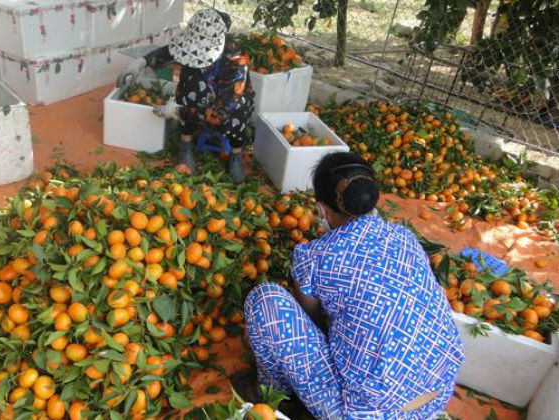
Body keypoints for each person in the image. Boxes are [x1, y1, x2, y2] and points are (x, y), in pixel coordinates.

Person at [237, 152, 465, 420]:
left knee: (265, 301)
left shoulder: (314, 256)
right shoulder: (406, 238)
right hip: (436, 399)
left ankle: (276, 395)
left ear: (321, 209)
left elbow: (314, 323)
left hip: (366, 414)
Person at [117, 9, 254, 182]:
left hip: (228, 102)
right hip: (203, 88)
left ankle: (236, 154)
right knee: (189, 88)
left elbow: (221, 114)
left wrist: (177, 111)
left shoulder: (236, 60)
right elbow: (170, 52)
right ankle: (186, 144)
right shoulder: (193, 44)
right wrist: (142, 62)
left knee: (237, 113)